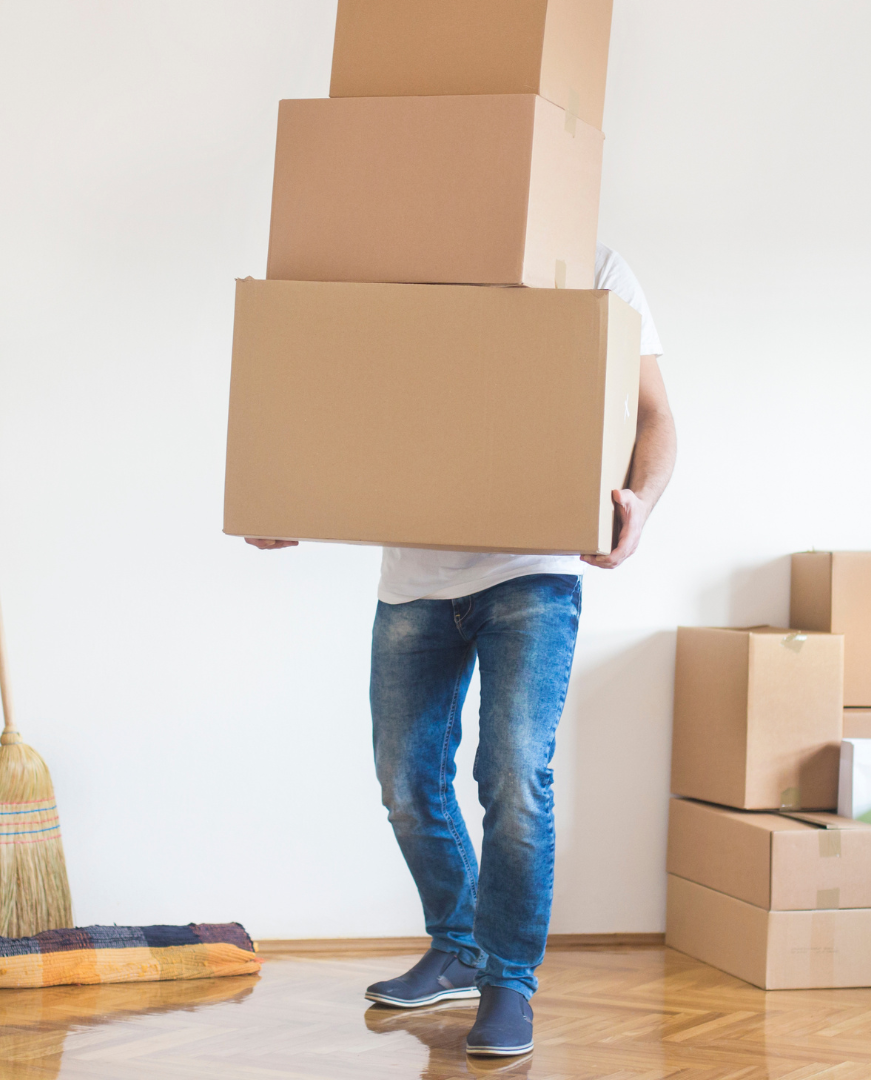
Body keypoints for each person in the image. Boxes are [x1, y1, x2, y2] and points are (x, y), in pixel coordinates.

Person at [246, 244, 675, 1058]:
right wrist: (282, 487)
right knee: (406, 783)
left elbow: (656, 414)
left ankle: (508, 980)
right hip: (414, 577)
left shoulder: (590, 262)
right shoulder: (405, 249)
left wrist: (639, 508)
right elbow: (327, 378)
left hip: (533, 572)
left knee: (513, 774)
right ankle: (458, 945)